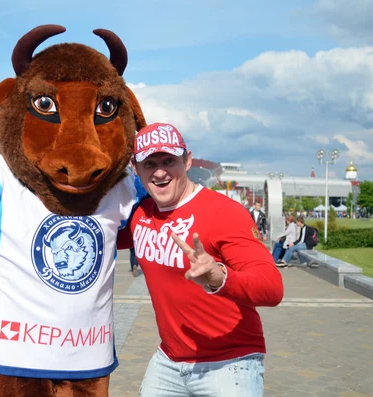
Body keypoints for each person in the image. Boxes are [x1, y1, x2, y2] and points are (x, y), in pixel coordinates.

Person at [118, 122, 284, 397]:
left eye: (169, 161)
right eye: (150, 163)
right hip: (169, 361)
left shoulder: (224, 212)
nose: (159, 172)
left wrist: (221, 277)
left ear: (188, 160)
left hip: (229, 363)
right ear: (136, 169)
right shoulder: (141, 215)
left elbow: (272, 287)